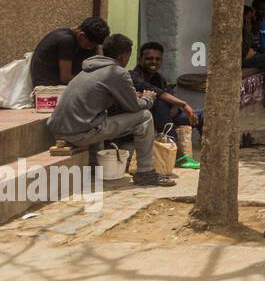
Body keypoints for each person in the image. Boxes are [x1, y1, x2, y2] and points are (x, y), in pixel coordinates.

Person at [47, 33, 175, 187]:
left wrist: (132, 96)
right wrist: (148, 98)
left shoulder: (87, 69)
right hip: (78, 134)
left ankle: (94, 166)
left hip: (59, 130)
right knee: (145, 116)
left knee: (99, 116)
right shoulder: (117, 72)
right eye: (128, 56)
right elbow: (134, 107)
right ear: (123, 56)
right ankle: (145, 172)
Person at [131, 42, 201, 170]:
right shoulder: (133, 76)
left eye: (158, 59)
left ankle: (210, 151)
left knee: (201, 114)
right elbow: (156, 92)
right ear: (140, 59)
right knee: (160, 102)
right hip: (142, 119)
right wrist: (183, 104)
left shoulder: (159, 78)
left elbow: (171, 100)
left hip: (164, 117)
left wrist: (173, 112)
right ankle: (178, 157)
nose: (154, 62)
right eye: (149, 59)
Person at [30, 17, 110, 87]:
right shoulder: (67, 41)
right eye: (88, 45)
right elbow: (65, 78)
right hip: (48, 89)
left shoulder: (72, 38)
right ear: (81, 35)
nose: (89, 48)